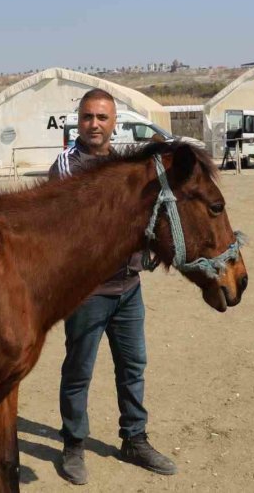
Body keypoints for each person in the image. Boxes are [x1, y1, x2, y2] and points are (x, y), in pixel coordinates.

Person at [49, 88, 177, 485]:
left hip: (128, 287)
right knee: (79, 371)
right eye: (88, 117)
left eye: (102, 118)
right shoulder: (66, 166)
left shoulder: (127, 162)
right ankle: (73, 444)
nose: (94, 125)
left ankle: (134, 438)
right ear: (78, 120)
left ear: (114, 122)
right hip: (86, 293)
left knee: (133, 367)